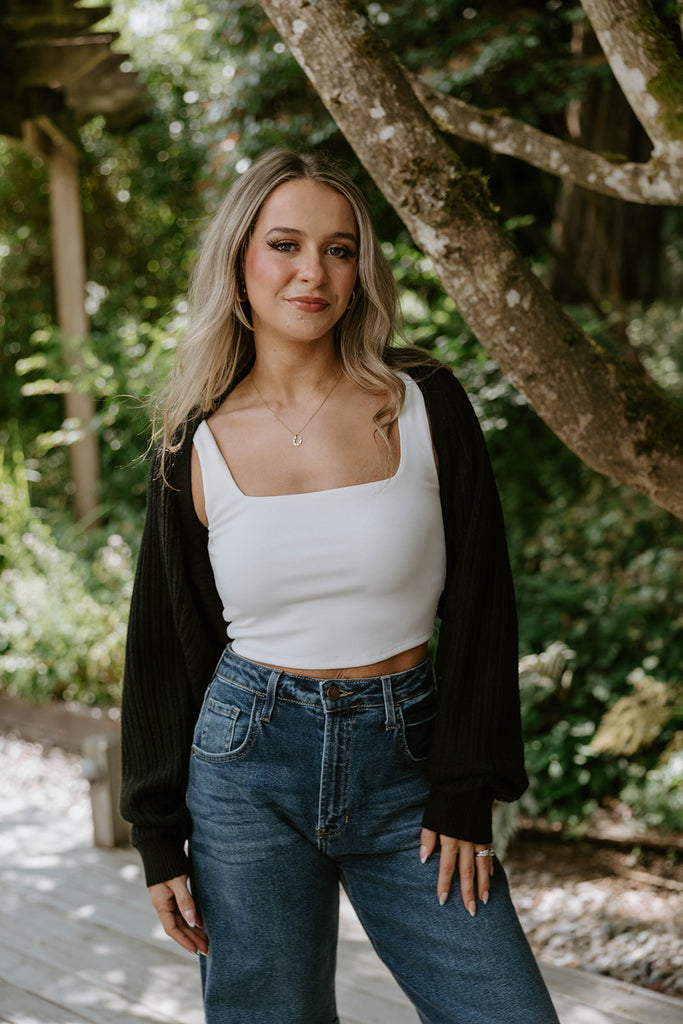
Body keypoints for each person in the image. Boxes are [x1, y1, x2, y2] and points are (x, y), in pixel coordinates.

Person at [120, 147, 560, 1024]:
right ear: (241, 263)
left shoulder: (424, 401)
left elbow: (482, 604)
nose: (311, 272)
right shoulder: (190, 445)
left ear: (362, 270)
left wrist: (465, 786)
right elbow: (163, 648)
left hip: (410, 763)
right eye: (284, 244)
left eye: (339, 248)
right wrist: (157, 833)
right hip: (247, 768)